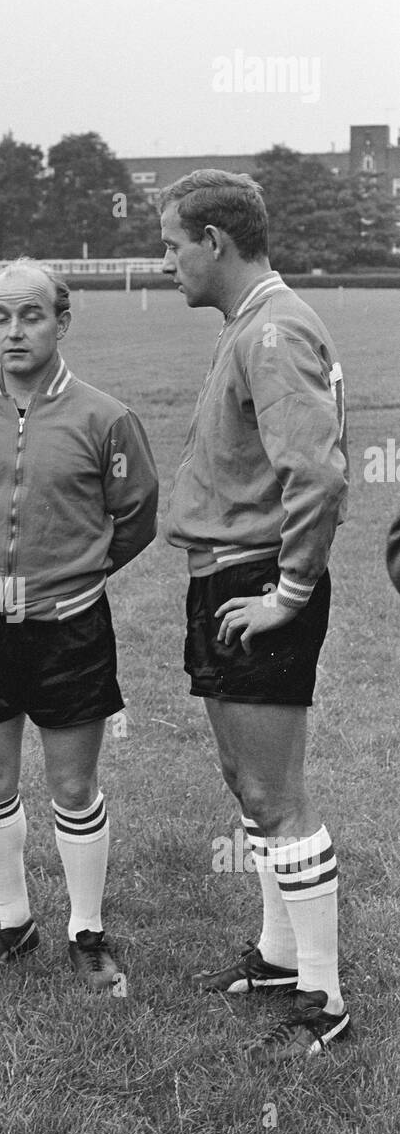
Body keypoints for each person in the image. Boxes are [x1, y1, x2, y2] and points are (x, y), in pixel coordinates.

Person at [0, 258, 158, 988]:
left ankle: (86, 930)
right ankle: (12, 920)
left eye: (30, 315)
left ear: (60, 321)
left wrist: (72, 575)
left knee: (73, 786)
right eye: (0, 316)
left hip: (69, 626)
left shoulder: (104, 417)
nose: (14, 330)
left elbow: (137, 517)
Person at [159, 169, 350, 1062]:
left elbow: (315, 473)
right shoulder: (252, 323)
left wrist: (289, 594)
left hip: (254, 582)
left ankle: (324, 997)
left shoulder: (272, 328)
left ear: (213, 242)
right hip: (225, 578)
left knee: (277, 798)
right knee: (250, 790)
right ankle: (279, 958)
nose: (165, 263)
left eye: (170, 245)